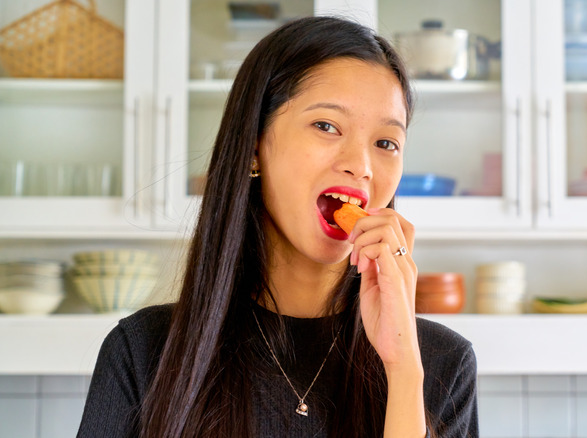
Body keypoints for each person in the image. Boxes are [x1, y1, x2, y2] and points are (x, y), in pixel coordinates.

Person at [77, 16, 478, 438]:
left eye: (386, 143)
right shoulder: (143, 353)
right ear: (254, 149)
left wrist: (403, 370)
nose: (360, 166)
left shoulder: (440, 364)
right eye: (326, 126)